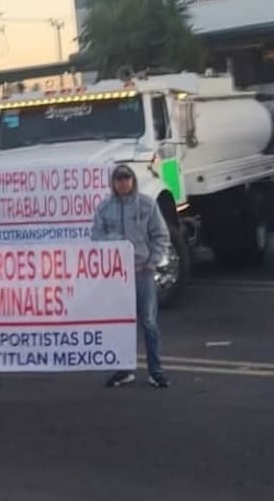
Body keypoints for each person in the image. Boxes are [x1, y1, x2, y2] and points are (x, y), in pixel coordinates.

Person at [90, 164, 172, 389]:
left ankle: (156, 371)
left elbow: (161, 235)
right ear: (113, 183)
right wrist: (115, 243)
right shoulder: (105, 207)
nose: (123, 183)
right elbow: (96, 236)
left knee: (149, 322)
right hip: (118, 277)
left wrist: (152, 262)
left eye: (127, 179)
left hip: (142, 272)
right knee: (122, 323)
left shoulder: (147, 204)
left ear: (133, 180)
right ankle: (124, 370)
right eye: (119, 179)